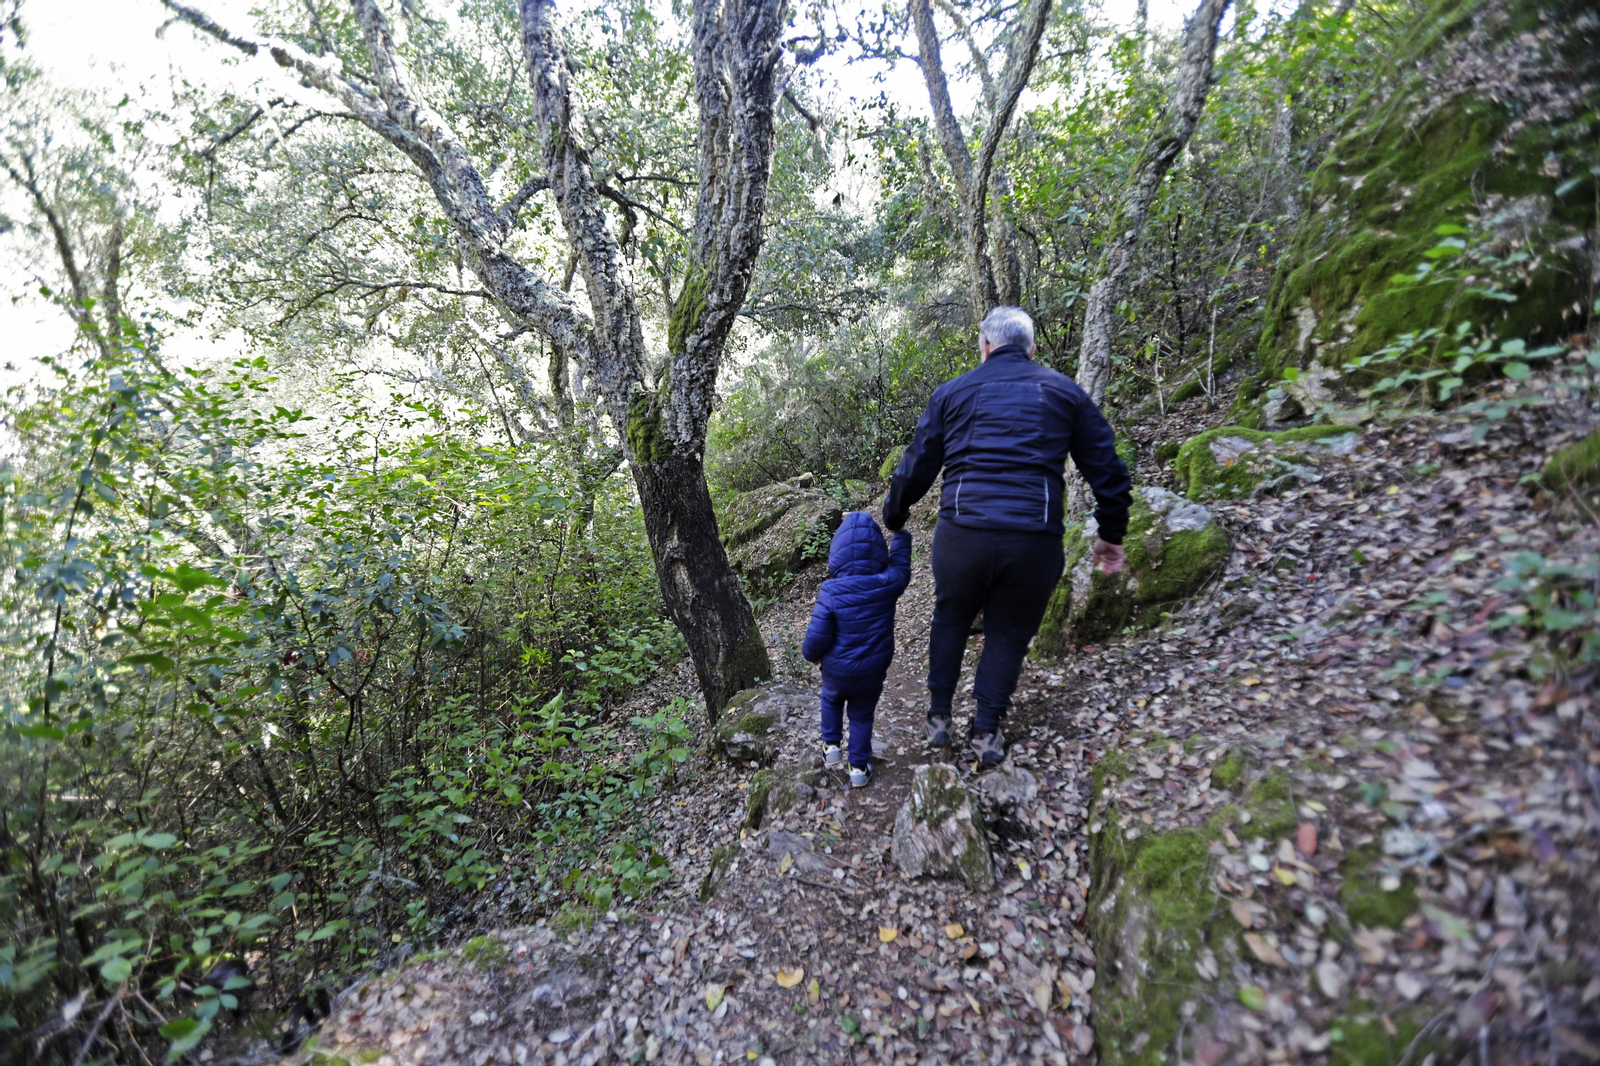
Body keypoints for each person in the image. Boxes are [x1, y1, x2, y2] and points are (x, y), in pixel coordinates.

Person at [882, 306, 1132, 768]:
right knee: (1008, 633)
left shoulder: (952, 393)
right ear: (1032, 350)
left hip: (963, 535)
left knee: (951, 616)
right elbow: (1109, 471)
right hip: (1032, 540)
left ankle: (939, 719)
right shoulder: (1063, 392)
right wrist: (1111, 535)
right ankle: (986, 731)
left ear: (984, 347)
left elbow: (916, 464)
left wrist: (894, 515)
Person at [800, 512, 914, 787]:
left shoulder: (830, 591)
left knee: (831, 699)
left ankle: (831, 746)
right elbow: (901, 564)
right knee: (862, 715)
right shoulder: (888, 583)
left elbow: (817, 636)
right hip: (872, 670)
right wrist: (900, 533)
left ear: (836, 553)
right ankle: (859, 769)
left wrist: (812, 655)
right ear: (877, 551)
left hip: (837, 669)